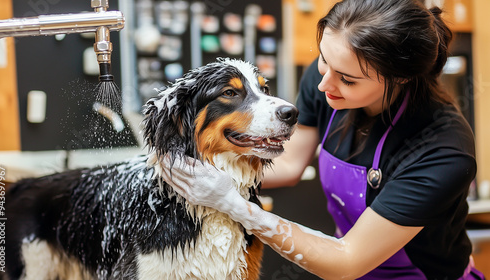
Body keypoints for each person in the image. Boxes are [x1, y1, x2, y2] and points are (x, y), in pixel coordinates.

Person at [161, 0, 486, 279]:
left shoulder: (442, 150)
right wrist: (204, 172)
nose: (324, 84)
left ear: (399, 77)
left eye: (347, 79)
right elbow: (287, 164)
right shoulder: (328, 82)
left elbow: (347, 260)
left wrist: (235, 205)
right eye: (323, 60)